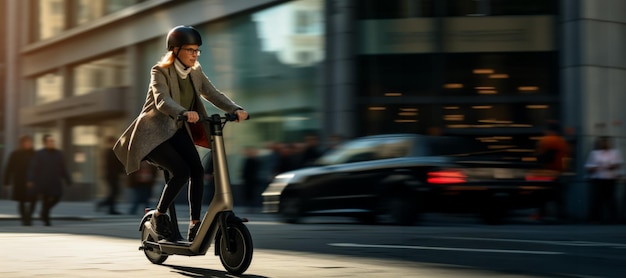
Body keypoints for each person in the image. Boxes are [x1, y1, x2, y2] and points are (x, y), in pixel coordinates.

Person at [113, 25, 248, 242]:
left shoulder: (195, 72)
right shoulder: (160, 71)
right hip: (153, 135)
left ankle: (195, 225)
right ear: (175, 50)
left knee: (197, 169)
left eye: (197, 50)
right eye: (190, 50)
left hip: (176, 131)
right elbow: (162, 100)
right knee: (181, 172)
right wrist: (184, 112)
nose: (195, 54)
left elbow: (212, 93)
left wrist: (235, 109)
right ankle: (159, 215)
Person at [27, 134, 72, 226]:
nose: (52, 143)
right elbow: (33, 167)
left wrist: (68, 179)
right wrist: (30, 179)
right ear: (45, 143)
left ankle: (44, 212)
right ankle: (46, 220)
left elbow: (63, 167)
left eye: (53, 141)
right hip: (44, 181)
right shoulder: (39, 154)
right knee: (46, 200)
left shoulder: (59, 153)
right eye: (49, 141)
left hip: (55, 181)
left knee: (58, 196)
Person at [534, 121, 570, 221]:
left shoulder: (548, 140)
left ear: (549, 130)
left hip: (547, 172)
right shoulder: (562, 141)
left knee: (542, 195)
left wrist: (538, 159)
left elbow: (547, 157)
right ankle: (561, 215)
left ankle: (542, 214)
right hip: (558, 172)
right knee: (558, 196)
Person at [585, 136, 623, 223]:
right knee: (598, 199)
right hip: (599, 179)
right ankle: (597, 218)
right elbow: (589, 167)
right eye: (603, 142)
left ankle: (613, 219)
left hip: (610, 179)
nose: (605, 144)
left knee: (611, 199)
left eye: (606, 142)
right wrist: (597, 168)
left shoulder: (615, 153)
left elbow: (617, 164)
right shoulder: (594, 153)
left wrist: (607, 166)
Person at [3, 135, 36, 226]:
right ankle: (24, 219)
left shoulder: (35, 154)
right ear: (22, 143)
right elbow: (9, 168)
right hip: (20, 181)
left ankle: (28, 216)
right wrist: (6, 182)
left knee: (33, 200)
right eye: (25, 142)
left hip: (33, 181)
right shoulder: (15, 154)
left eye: (29, 142)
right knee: (22, 200)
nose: (27, 144)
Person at [96, 136, 125, 215]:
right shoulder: (110, 152)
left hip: (112, 175)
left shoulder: (110, 151)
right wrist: (122, 170)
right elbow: (115, 165)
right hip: (111, 176)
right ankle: (103, 205)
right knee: (114, 192)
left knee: (114, 192)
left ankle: (109, 207)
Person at [241, 146, 260, 211]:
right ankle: (250, 206)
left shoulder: (254, 160)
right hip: (249, 180)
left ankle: (252, 206)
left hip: (252, 180)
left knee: (252, 193)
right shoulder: (249, 160)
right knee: (248, 194)